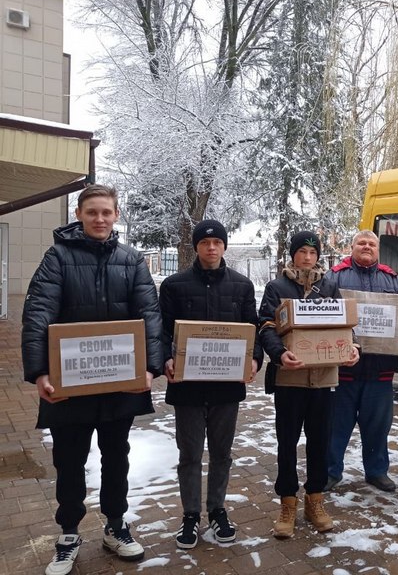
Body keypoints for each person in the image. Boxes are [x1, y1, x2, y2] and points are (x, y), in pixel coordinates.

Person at [21, 184, 162, 575]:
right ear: (79, 214)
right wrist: (40, 372)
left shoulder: (132, 261)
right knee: (69, 462)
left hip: (120, 385)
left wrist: (149, 367)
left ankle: (116, 526)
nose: (100, 219)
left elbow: (150, 315)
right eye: (92, 212)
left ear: (116, 216)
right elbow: (37, 316)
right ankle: (68, 534)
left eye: (106, 212)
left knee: (117, 458)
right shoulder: (57, 258)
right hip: (70, 388)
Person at [159, 219, 263, 549]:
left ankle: (217, 509)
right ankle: (190, 515)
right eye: (205, 243)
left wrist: (255, 358)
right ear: (197, 247)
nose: (212, 248)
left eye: (217, 242)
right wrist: (166, 358)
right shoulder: (174, 285)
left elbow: (253, 330)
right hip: (188, 386)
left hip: (225, 386)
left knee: (222, 453)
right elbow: (161, 331)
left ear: (224, 246)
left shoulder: (242, 286)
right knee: (189, 453)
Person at [258, 231, 359, 539]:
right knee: (287, 443)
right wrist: (278, 353)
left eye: (312, 252)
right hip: (290, 378)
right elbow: (265, 326)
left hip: (324, 379)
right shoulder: (277, 287)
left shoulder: (329, 286)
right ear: (293, 255)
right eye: (301, 251)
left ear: (318, 256)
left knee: (320, 442)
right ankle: (287, 503)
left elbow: (344, 324)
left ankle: (315, 500)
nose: (307, 257)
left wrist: (352, 348)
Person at [324, 230, 398, 493]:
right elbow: (323, 313)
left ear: (378, 249)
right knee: (335, 427)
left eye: (371, 244)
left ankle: (376, 471)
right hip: (343, 370)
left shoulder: (392, 279)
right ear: (352, 247)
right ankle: (329, 472)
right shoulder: (334, 276)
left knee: (378, 427)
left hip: (381, 370)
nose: (366, 247)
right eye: (361, 243)